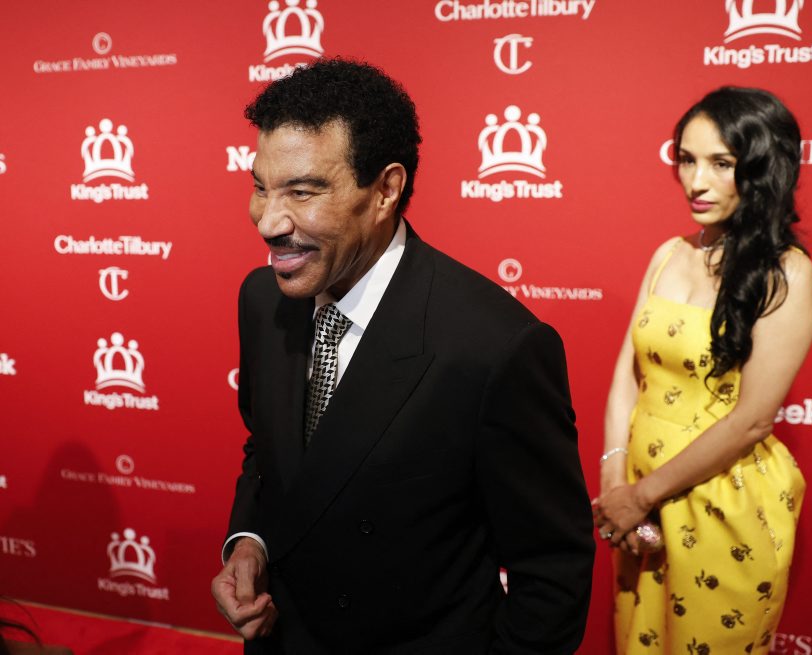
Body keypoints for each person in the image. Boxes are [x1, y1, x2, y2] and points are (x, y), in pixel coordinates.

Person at [209, 58, 595, 654]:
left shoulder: (494, 346)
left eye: (302, 192)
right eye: (261, 187)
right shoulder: (263, 300)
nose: (268, 221)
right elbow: (269, 453)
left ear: (386, 190)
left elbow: (552, 572)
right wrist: (249, 543)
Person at [592, 87, 812, 654]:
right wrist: (615, 481)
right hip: (638, 506)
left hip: (724, 507)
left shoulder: (786, 273)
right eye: (687, 160)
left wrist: (641, 495)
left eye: (721, 163)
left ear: (762, 168)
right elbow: (627, 377)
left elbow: (752, 421)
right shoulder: (669, 254)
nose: (696, 181)